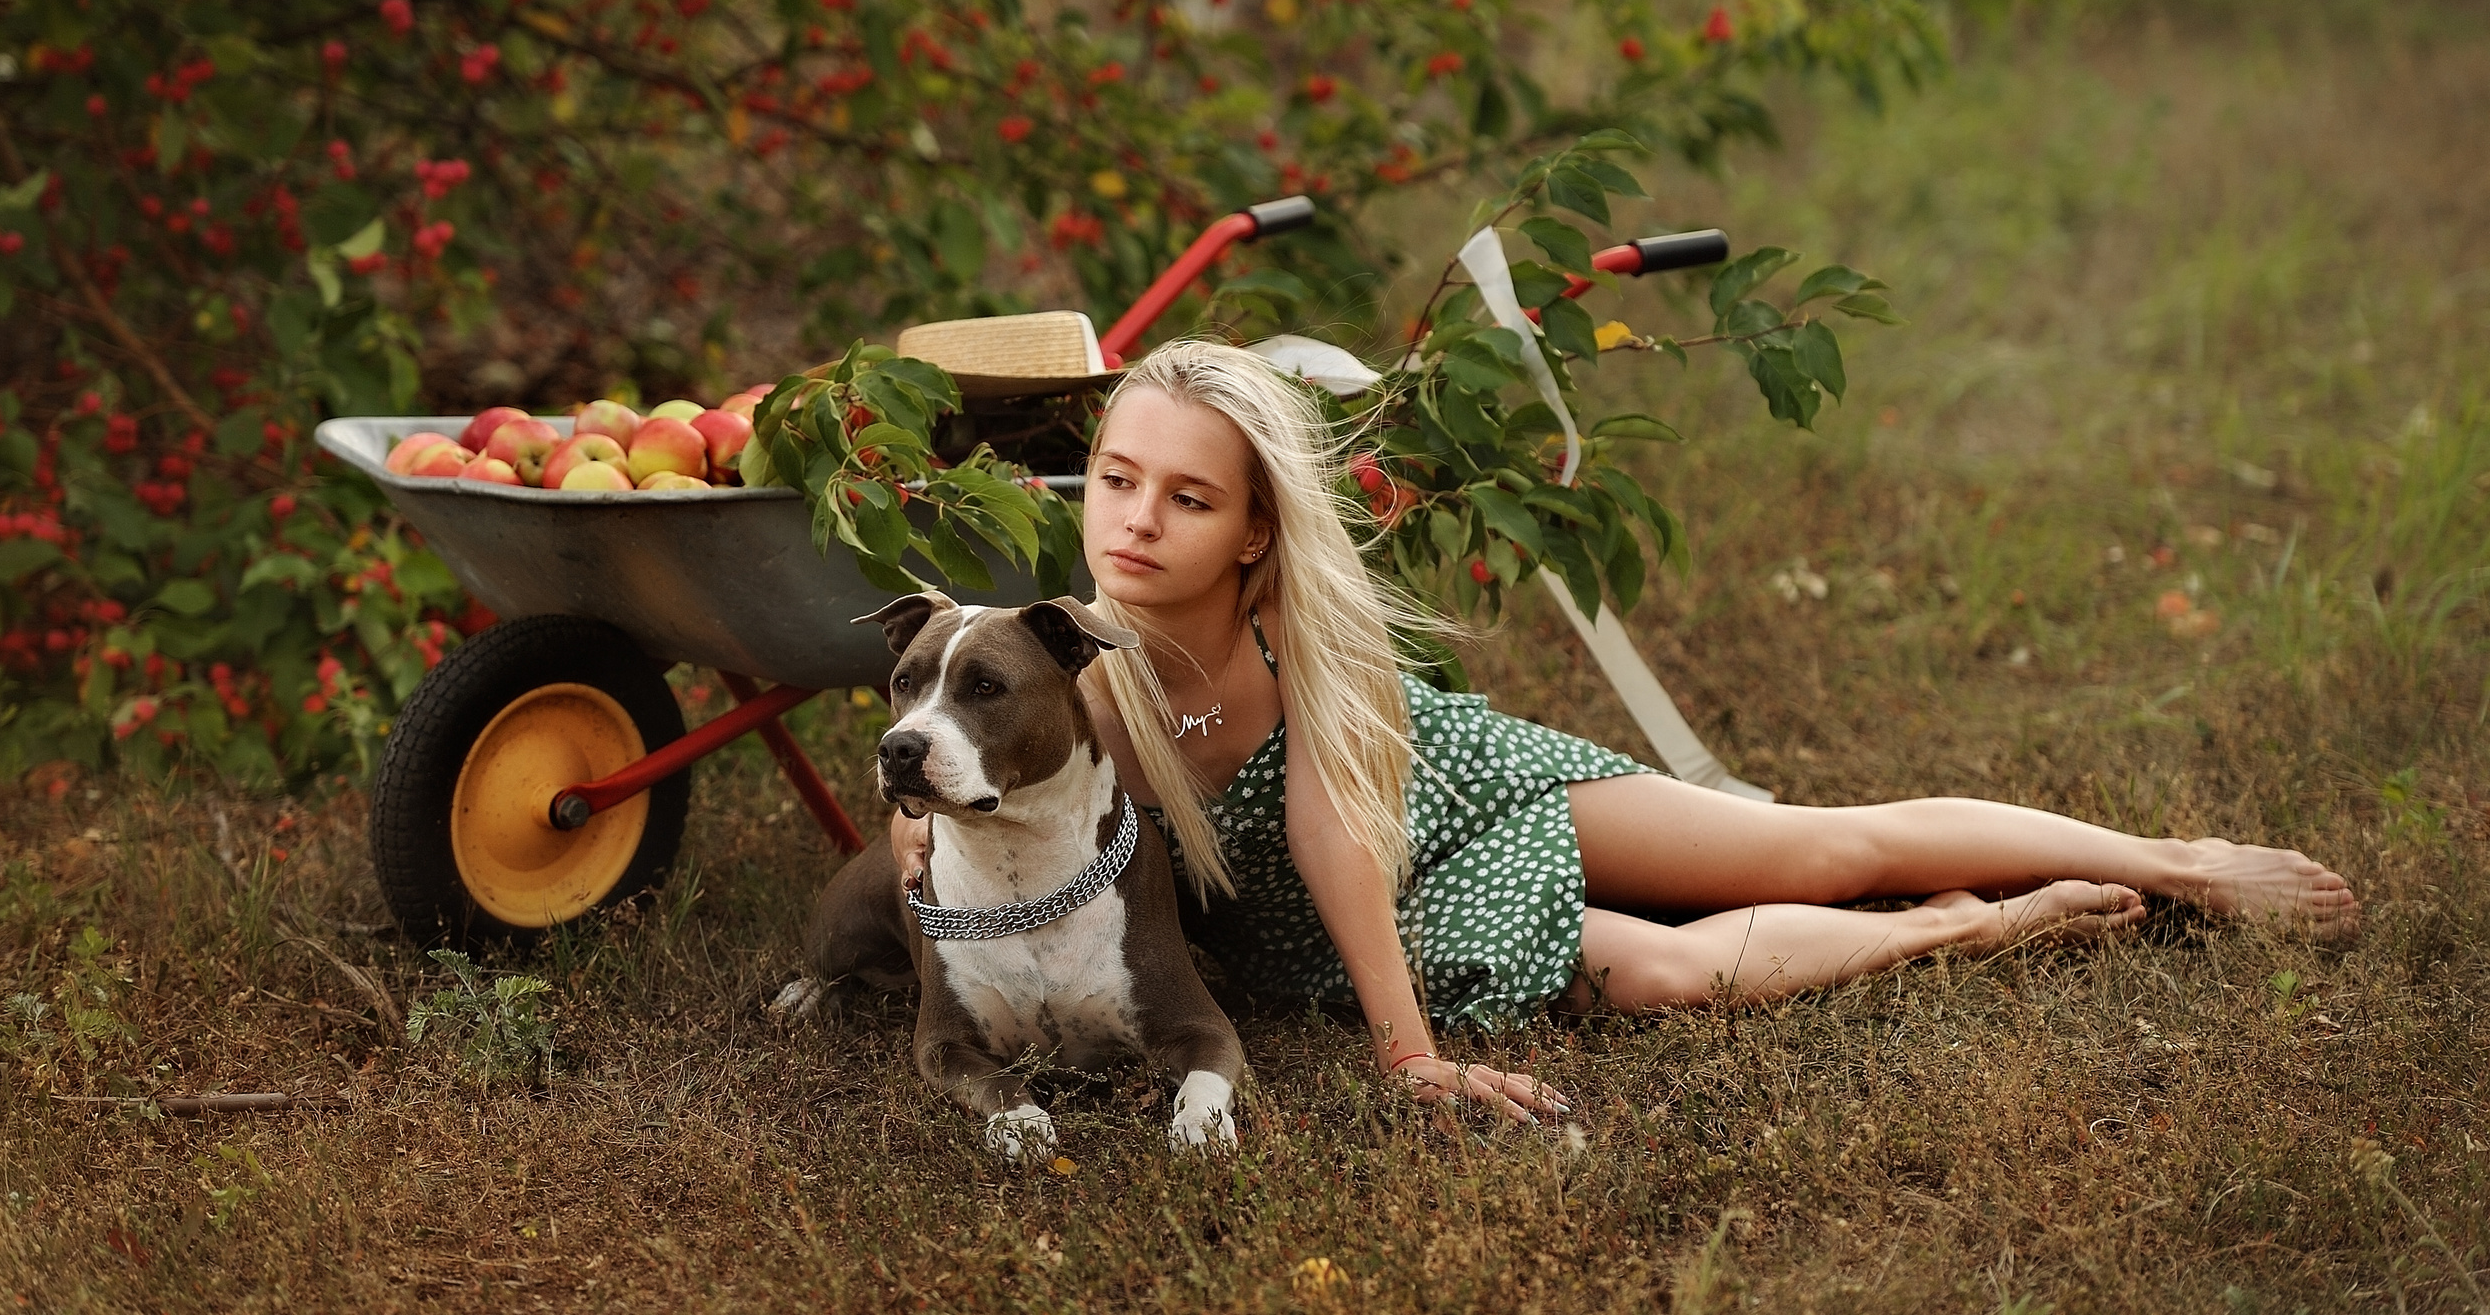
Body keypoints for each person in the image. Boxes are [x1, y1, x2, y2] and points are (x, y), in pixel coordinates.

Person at [890, 340, 2358, 1121]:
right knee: (1648, 973)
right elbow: (946, 798)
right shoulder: (1060, 666)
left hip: (1447, 806)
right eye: (1119, 481)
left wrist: (1404, 1058)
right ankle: (1972, 927)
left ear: (1260, 529)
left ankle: (2177, 859)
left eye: (1188, 498)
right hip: (1347, 924)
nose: (1137, 522)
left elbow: (1343, 846)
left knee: (1821, 844)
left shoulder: (1314, 653)